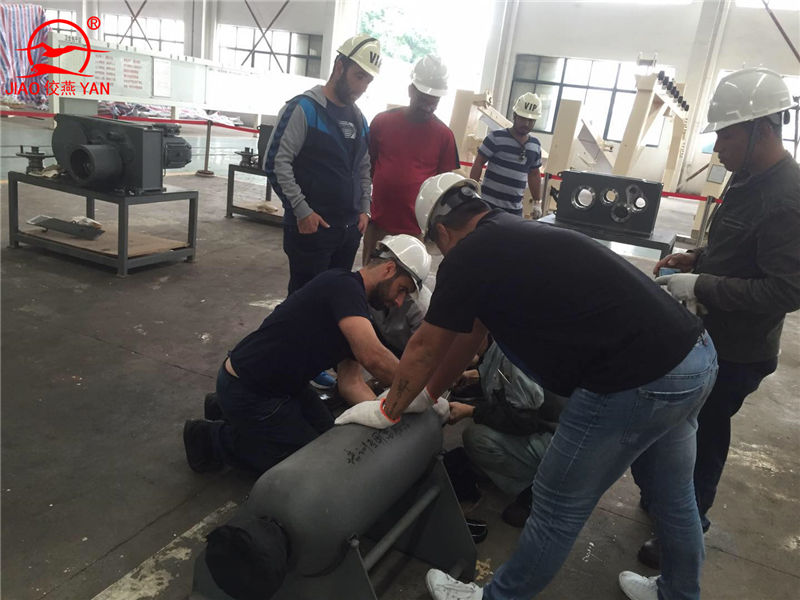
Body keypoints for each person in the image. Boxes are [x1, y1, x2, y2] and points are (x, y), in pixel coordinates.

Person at [335, 172, 718, 600]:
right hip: (694, 358)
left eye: (438, 244)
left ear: (441, 231)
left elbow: (425, 346)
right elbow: (470, 334)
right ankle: (678, 592)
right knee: (674, 493)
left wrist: (389, 409)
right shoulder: (512, 232)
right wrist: (428, 397)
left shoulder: (469, 255)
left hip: (634, 380)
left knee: (555, 504)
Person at [632, 67, 800, 573]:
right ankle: (668, 504)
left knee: (704, 436)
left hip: (740, 350)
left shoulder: (787, 199)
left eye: (726, 135)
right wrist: (698, 258)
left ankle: (685, 529)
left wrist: (701, 286)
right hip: (712, 335)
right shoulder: (746, 177)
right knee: (683, 427)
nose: (717, 147)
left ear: (762, 130)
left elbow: (786, 290)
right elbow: (737, 245)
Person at [182, 235, 430, 475]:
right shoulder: (343, 286)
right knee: (305, 463)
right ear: (388, 269)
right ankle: (208, 438)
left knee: (329, 440)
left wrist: (386, 418)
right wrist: (420, 395)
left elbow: (351, 383)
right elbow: (374, 357)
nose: (399, 302)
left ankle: (220, 408)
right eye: (401, 289)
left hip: (286, 387)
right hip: (249, 389)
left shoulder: (357, 311)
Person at [264, 34, 381, 296]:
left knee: (334, 300)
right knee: (304, 304)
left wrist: (364, 209)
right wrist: (302, 211)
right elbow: (276, 162)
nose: (362, 87)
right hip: (312, 231)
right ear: (339, 67)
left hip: (348, 231)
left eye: (368, 81)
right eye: (358, 76)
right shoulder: (305, 109)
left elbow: (363, 168)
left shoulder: (359, 119)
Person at [448, 340, 565, 527]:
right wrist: (475, 376)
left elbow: (524, 420)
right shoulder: (502, 341)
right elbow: (500, 375)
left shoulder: (513, 354)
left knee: (476, 438)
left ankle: (537, 489)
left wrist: (472, 411)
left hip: (557, 440)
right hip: (548, 426)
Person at [362, 55, 460, 263]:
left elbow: (443, 188)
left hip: (415, 232)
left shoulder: (444, 136)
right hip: (377, 224)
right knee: (370, 277)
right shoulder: (382, 122)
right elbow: (366, 168)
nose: (427, 106)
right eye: (423, 99)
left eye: (434, 101)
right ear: (410, 90)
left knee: (406, 281)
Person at [469, 92, 544, 218]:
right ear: (514, 116)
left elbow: (534, 174)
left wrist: (537, 203)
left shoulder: (535, 146)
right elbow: (479, 162)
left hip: (515, 212)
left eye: (531, 120)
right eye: (523, 118)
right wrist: (472, 192)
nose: (526, 124)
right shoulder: (495, 138)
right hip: (488, 207)